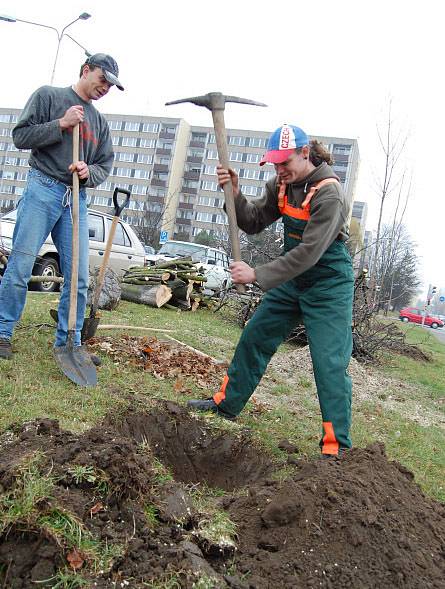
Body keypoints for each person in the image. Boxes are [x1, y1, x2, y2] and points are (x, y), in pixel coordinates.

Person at [188, 124, 354, 457]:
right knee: (255, 336)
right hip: (292, 279)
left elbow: (309, 252)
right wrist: (234, 194)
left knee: (328, 363)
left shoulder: (328, 193)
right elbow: (252, 221)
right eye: (275, 164)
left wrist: (257, 274)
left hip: (328, 284)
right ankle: (226, 405)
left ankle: (337, 447)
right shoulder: (281, 185)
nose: (280, 171)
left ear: (305, 154)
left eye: (285, 163)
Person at [0, 54, 124, 361]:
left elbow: (104, 164)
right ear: (86, 70)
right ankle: (2, 332)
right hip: (43, 187)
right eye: (102, 80)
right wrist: (61, 124)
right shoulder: (49, 96)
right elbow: (20, 137)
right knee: (22, 262)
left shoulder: (99, 122)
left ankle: (69, 342)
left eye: (110, 85)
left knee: (78, 276)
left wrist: (88, 172)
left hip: (76, 198)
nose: (105, 88)